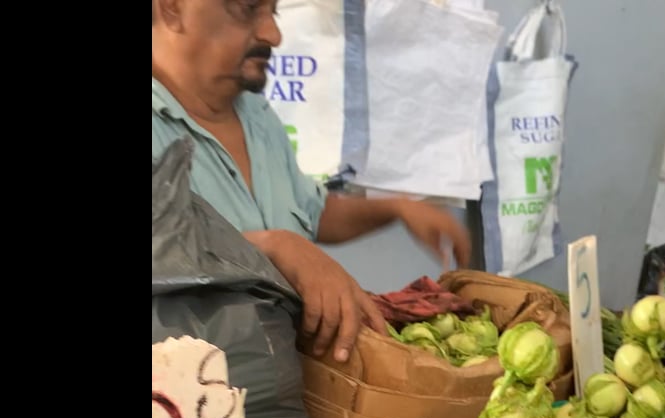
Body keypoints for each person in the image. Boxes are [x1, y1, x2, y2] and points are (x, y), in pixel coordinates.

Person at [152, 0, 473, 366]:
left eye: (273, 11)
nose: (273, 34)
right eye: (248, 8)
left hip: (285, 392)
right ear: (172, 9)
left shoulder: (258, 117)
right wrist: (273, 247)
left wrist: (395, 207)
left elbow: (311, 211)